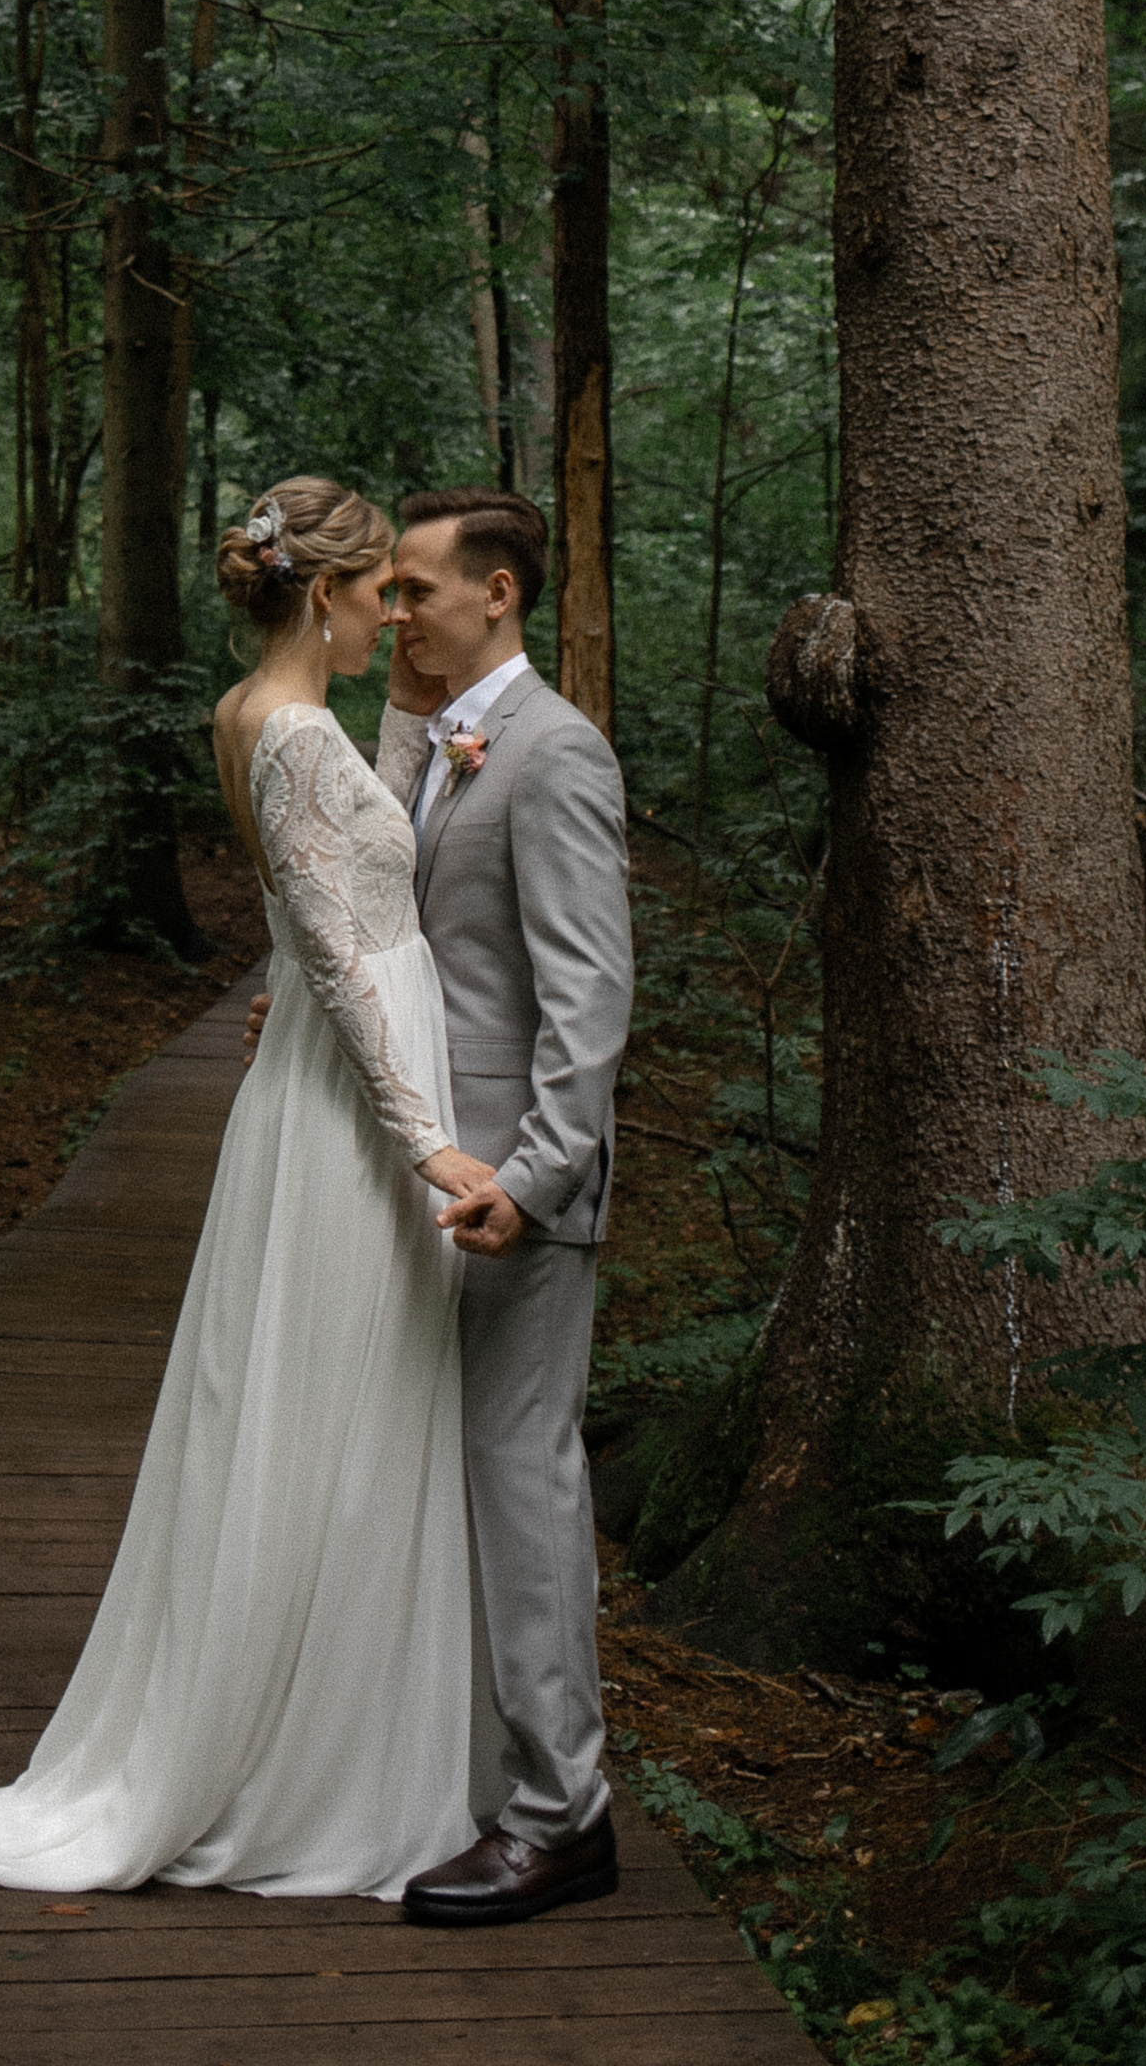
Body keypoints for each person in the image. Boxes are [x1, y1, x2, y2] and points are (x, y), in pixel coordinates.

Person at [0, 476, 509, 1900]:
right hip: (356, 1098)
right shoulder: (296, 736)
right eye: (379, 590)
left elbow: (327, 873)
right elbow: (327, 941)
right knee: (342, 1404)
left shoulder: (258, 717)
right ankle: (309, 1758)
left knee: (311, 1402)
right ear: (325, 596)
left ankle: (306, 1715)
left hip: (317, 1065)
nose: (396, 611)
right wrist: (424, 1136)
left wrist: (441, 755)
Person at [371, 483, 635, 1927]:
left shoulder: (557, 753)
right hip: (439, 1183)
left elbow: (587, 1004)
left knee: (525, 1489)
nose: (397, 611)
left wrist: (532, 1184)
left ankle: (562, 1818)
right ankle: (465, 1773)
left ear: (501, 595)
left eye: (416, 589)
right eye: (394, 593)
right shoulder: (439, 744)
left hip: (518, 1196)